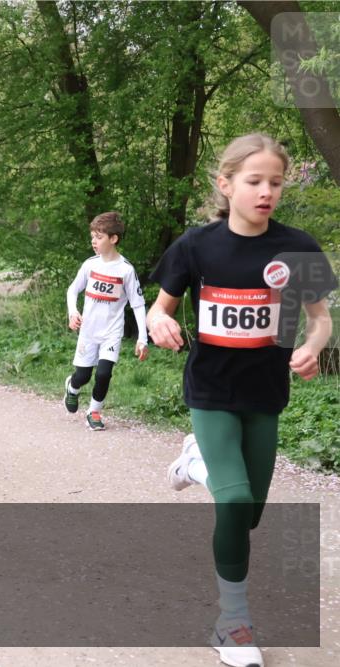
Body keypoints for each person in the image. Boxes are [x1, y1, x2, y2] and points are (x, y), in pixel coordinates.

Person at [149, 134, 336, 667]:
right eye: (254, 181)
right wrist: (160, 322)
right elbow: (160, 308)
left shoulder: (297, 247)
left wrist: (314, 346)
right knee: (232, 501)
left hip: (265, 393)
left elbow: (321, 319)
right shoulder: (196, 245)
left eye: (275, 182)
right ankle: (233, 625)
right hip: (211, 391)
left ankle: (194, 464)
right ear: (225, 184)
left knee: (248, 514)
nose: (266, 191)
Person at [62, 211, 149, 431]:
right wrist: (73, 312)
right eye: (92, 236)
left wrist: (143, 338)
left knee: (103, 373)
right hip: (88, 331)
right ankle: (72, 388)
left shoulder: (126, 270)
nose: (93, 241)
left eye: (99, 237)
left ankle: (94, 411)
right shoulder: (90, 265)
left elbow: (138, 304)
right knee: (82, 376)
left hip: (112, 331)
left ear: (113, 239)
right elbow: (73, 290)